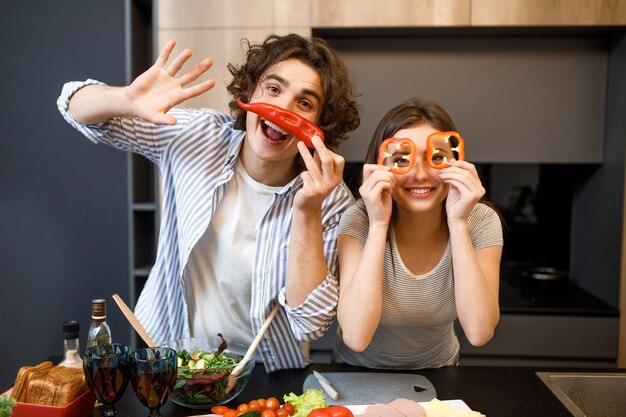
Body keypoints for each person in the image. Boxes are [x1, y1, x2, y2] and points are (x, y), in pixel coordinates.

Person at [57, 33, 360, 371]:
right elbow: (72, 105)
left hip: (264, 369)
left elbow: (311, 323)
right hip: (169, 353)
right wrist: (125, 99)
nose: (281, 109)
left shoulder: (331, 201)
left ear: (320, 127)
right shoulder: (197, 135)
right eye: (273, 89)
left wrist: (307, 211)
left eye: (304, 103)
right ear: (250, 92)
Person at [332, 99, 502, 369]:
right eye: (402, 160)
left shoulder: (480, 221)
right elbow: (356, 336)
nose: (420, 174)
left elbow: (480, 332)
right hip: (358, 372)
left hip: (440, 370)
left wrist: (457, 222)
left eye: (436, 158)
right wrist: (378, 224)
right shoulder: (360, 220)